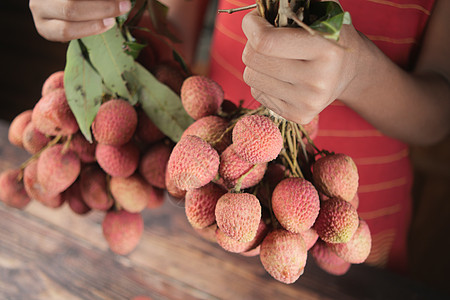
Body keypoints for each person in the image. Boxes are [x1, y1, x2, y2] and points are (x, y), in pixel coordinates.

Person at [29, 0, 450, 273]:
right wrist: (105, 19)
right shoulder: (215, 165)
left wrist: (358, 73)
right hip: (220, 175)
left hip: (372, 210)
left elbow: (439, 111)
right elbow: (170, 27)